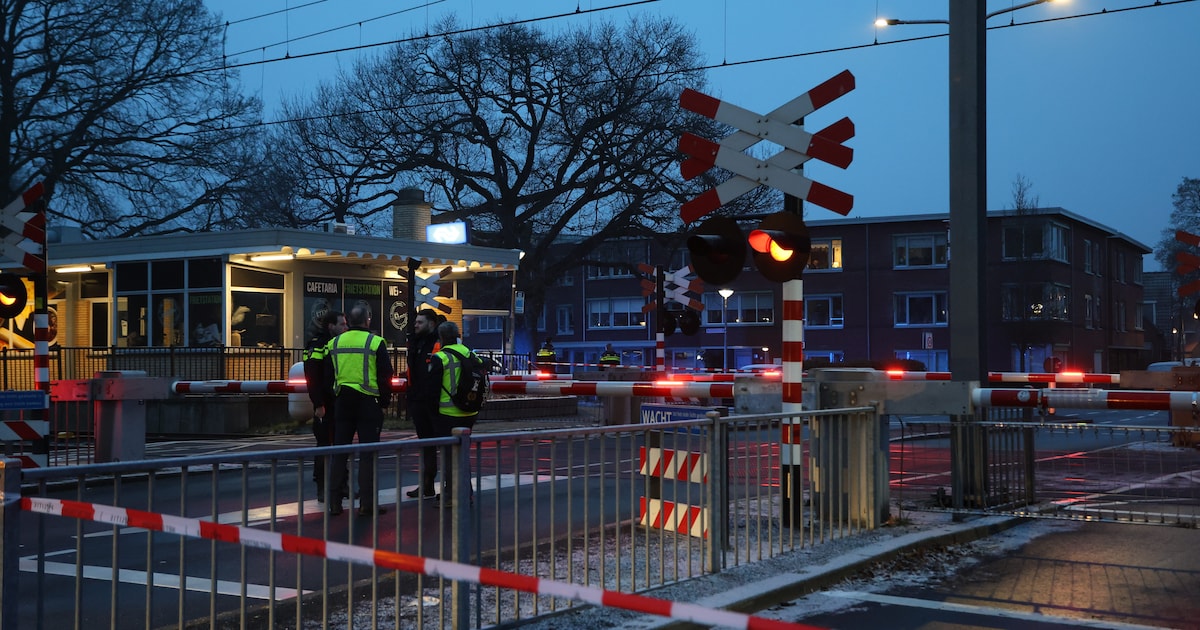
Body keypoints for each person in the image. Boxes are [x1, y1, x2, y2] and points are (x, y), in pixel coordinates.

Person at [324, 304, 393, 516]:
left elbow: (328, 375)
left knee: (339, 452)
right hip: (367, 402)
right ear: (368, 320)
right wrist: (383, 402)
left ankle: (334, 502)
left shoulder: (334, 343)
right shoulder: (375, 342)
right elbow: (385, 375)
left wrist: (334, 398)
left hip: (343, 401)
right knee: (367, 455)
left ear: (349, 321)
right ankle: (367, 504)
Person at [426, 321, 479, 504]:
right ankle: (466, 492)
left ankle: (450, 495)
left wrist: (432, 414)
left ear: (441, 338)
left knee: (449, 457)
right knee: (463, 455)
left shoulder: (440, 358)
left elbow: (431, 391)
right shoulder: (469, 353)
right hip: (469, 412)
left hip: (448, 414)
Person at [304, 309, 348, 503]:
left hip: (338, 401)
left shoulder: (337, 343)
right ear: (331, 326)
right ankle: (322, 488)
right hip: (326, 404)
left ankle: (341, 486)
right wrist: (318, 404)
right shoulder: (318, 344)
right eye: (342, 324)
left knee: (340, 445)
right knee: (323, 447)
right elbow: (312, 377)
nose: (345, 328)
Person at [405, 308, 440, 499]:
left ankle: (454, 489)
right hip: (419, 401)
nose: (416, 325)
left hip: (437, 403)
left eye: (420, 322)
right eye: (416, 322)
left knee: (446, 445)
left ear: (431, 324)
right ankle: (427, 485)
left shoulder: (438, 343)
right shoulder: (416, 343)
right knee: (426, 445)